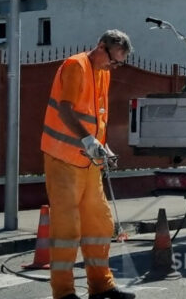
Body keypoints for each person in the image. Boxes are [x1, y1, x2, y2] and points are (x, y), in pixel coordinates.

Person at [40, 30, 136, 299]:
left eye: (118, 63)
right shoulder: (76, 66)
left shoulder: (103, 73)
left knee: (99, 225)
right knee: (67, 228)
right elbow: (65, 109)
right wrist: (88, 140)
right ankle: (64, 293)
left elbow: (98, 117)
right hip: (62, 159)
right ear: (101, 47)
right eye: (112, 60)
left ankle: (101, 285)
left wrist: (102, 146)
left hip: (88, 162)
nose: (112, 66)